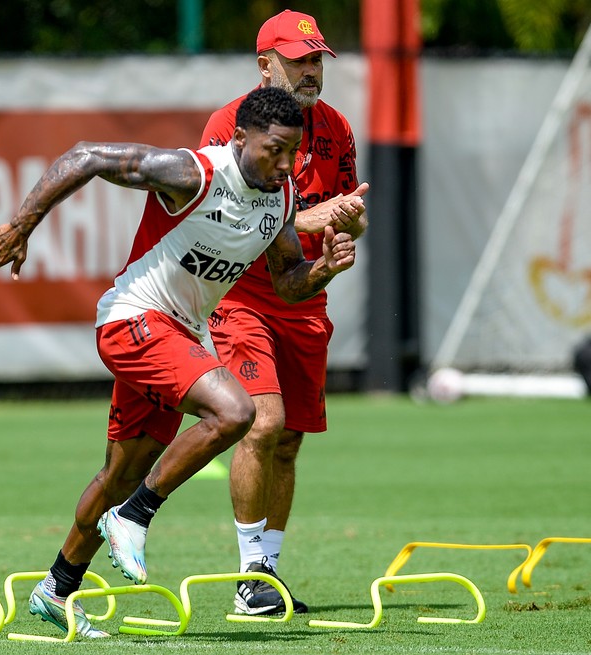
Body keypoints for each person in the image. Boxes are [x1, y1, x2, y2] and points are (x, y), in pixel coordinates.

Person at [0, 86, 356, 639]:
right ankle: (136, 516)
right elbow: (85, 156)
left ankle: (56, 589)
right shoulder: (193, 173)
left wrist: (323, 269)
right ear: (239, 139)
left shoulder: (279, 199)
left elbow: (286, 282)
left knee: (120, 473)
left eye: (294, 152)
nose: (286, 164)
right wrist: (22, 224)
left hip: (177, 335)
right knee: (236, 412)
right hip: (132, 320)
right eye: (274, 149)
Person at [199, 9, 369, 616]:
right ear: (264, 64)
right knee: (263, 423)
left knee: (291, 440)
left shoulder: (336, 127)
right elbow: (221, 215)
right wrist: (309, 219)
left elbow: (352, 211)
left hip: (303, 296)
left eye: (317, 58)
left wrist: (348, 225)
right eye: (299, 59)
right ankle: (248, 580)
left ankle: (267, 573)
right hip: (240, 295)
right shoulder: (228, 125)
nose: (312, 70)